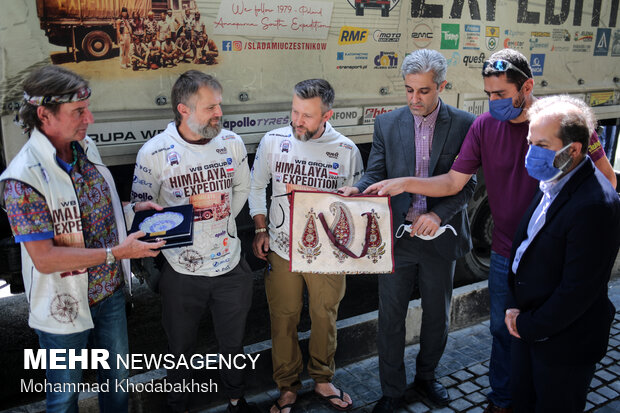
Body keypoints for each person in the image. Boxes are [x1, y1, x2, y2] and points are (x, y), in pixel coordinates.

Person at [363, 48, 617, 413]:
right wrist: (402, 183)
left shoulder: (561, 122)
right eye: (488, 94)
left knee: (555, 335)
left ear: (526, 86)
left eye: (500, 94)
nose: (493, 102)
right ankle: (502, 401)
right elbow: (454, 181)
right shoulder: (484, 126)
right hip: (503, 252)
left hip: (551, 252)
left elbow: (604, 181)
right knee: (505, 330)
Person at [0, 66, 165, 413]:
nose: (89, 118)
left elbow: (89, 209)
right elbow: (44, 258)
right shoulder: (22, 178)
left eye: (87, 108)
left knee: (117, 387)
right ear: (44, 114)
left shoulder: (84, 148)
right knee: (64, 400)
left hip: (109, 296)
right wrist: (116, 253)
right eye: (78, 111)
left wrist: (132, 209)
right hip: (63, 309)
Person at [339, 49, 476, 412]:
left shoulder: (464, 124)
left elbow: (468, 185)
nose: (415, 99)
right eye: (409, 90)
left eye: (424, 91)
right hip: (397, 239)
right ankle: (392, 391)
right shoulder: (387, 123)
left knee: (437, 317)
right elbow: (377, 172)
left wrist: (440, 216)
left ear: (442, 86)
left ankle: (427, 378)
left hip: (440, 238)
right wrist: (360, 187)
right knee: (391, 317)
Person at [131, 70, 253, 413]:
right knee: (181, 349)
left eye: (220, 106)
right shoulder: (154, 153)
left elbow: (241, 189)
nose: (219, 113)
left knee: (234, 345)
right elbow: (140, 211)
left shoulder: (232, 143)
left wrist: (220, 221)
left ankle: (236, 400)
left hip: (230, 265)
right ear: (184, 110)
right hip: (180, 271)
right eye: (211, 107)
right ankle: (178, 406)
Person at [249, 79, 364, 413]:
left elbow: (356, 207)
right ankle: (286, 387)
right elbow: (257, 187)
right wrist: (260, 228)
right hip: (282, 249)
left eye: (307, 116)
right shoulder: (273, 141)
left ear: (327, 115)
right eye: (294, 111)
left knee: (323, 316)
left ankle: (323, 379)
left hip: (326, 255)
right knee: (282, 318)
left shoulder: (345, 151)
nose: (297, 120)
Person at [505, 95, 620, 412]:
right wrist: (515, 307)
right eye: (530, 141)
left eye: (541, 144)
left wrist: (526, 325)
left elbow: (577, 291)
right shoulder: (552, 179)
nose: (531, 152)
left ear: (573, 150)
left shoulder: (596, 204)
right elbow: (527, 246)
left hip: (563, 344)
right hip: (529, 328)